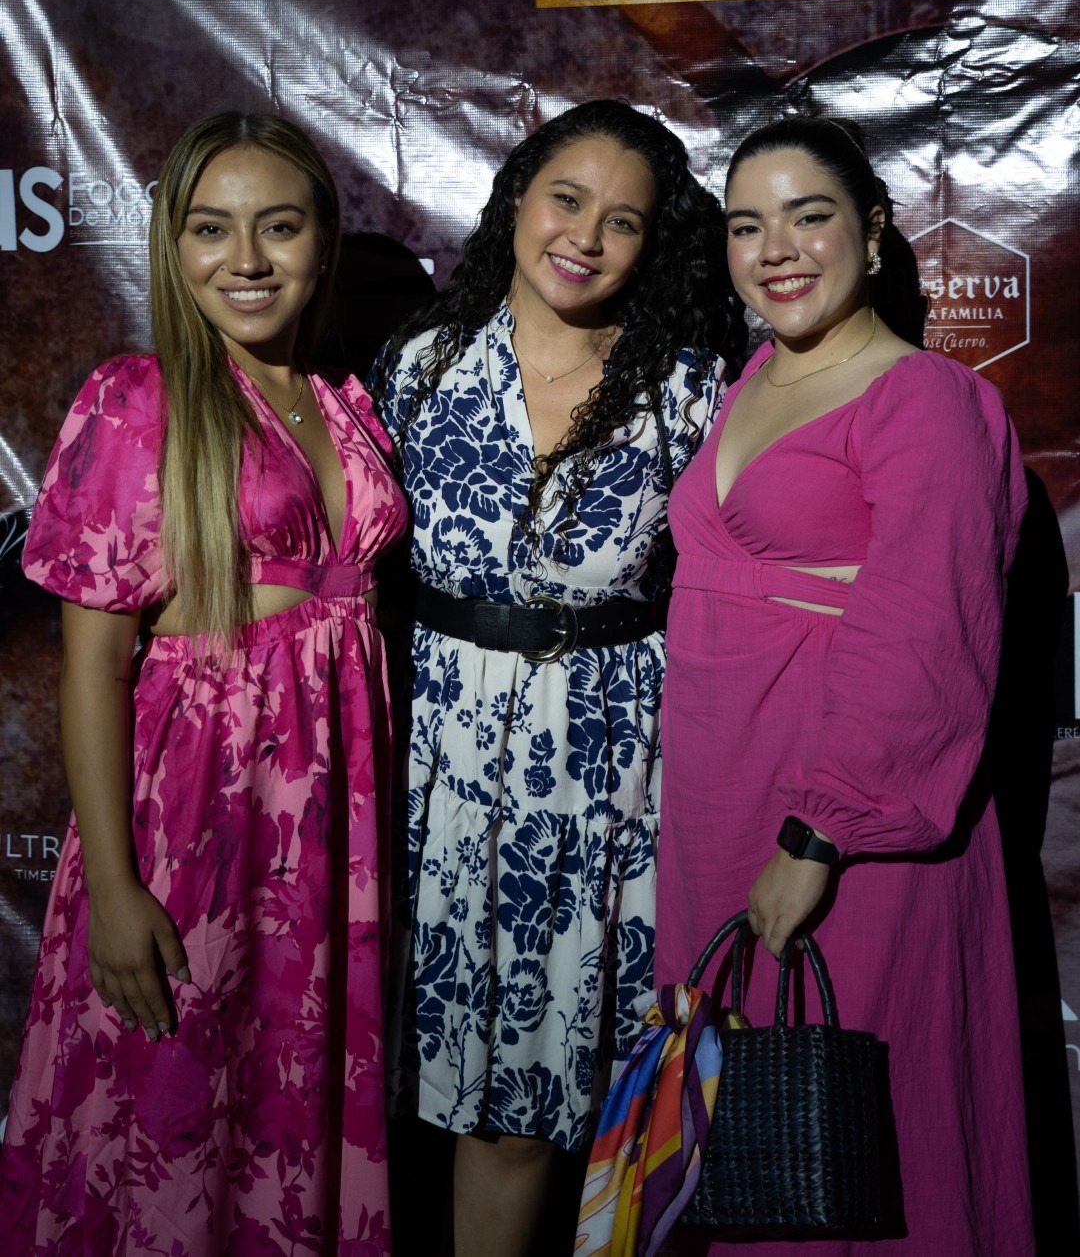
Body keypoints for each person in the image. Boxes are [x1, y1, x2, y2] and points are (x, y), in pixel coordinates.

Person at [1, 112, 407, 1256]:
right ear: (173, 247)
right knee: (170, 1108)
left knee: (286, 1103)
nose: (247, 259)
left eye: (279, 226)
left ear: (323, 242)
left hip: (329, 825)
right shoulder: (138, 401)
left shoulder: (340, 396)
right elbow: (93, 666)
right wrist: (115, 888)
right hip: (197, 814)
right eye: (212, 229)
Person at [369, 99, 745, 1257]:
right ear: (517, 201)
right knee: (479, 1104)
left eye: (622, 221)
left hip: (615, 772)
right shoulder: (419, 368)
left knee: (613, 1091)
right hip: (443, 769)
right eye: (566, 200)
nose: (585, 235)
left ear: (652, 245)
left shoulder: (691, 391)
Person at [654, 116, 1033, 1255]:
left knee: (852, 1135)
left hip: (848, 819)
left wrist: (820, 833)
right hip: (719, 804)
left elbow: (927, 631)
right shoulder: (751, 380)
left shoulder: (927, 399)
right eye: (746, 226)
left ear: (871, 233)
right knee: (742, 1146)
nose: (776, 249)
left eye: (807, 216)